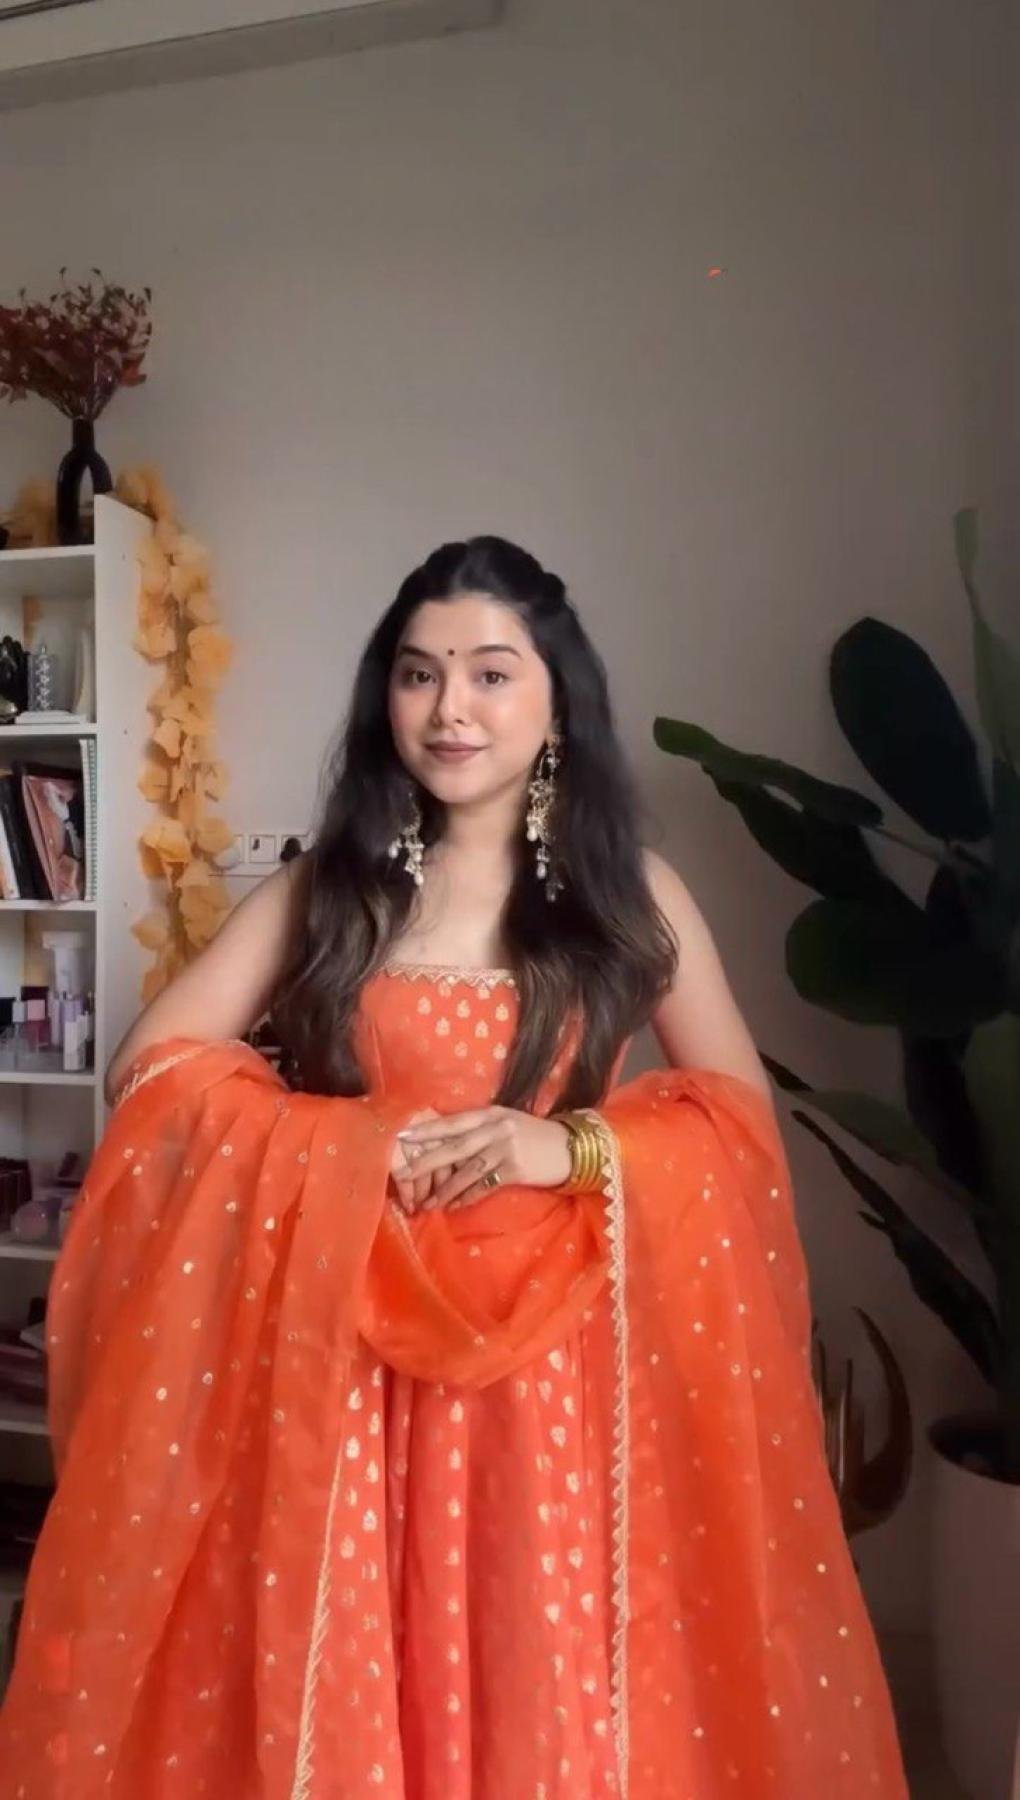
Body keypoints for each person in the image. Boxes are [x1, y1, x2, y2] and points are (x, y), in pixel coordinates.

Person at [0, 537, 908, 1798]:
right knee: (360, 1667)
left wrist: (567, 1145)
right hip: (353, 1351)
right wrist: (345, 1148)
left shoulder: (628, 896)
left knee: (531, 1660)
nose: (451, 710)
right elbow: (150, 1067)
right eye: (419, 674)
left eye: (490, 673)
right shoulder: (333, 890)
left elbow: (737, 1123)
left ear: (556, 702)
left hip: (551, 1367)